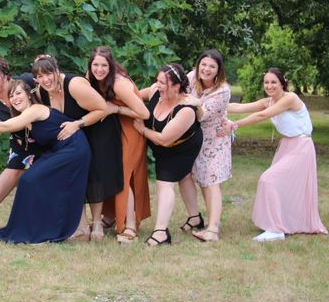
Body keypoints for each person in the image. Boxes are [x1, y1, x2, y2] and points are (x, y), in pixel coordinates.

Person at [0, 80, 91, 244]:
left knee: (29, 180)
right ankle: (34, 229)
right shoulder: (27, 119)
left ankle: (32, 232)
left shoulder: (35, 110)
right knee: (33, 182)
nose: (15, 98)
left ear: (29, 94)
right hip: (61, 150)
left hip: (73, 149)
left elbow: (5, 126)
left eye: (18, 93)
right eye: (11, 96)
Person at [220, 67, 327, 242]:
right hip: (287, 145)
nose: (269, 86)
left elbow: (262, 115)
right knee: (282, 185)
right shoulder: (268, 100)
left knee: (268, 179)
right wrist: (214, 104)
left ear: (282, 83)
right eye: (266, 82)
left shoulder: (290, 98)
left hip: (301, 146)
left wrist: (233, 125)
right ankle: (282, 223)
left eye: (273, 82)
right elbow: (239, 106)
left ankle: (276, 230)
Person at [33, 55, 107, 240]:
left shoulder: (74, 85)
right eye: (40, 76)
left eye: (49, 73)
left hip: (94, 128)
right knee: (74, 177)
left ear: (57, 71)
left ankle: (97, 223)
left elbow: (102, 108)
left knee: (95, 176)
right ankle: (81, 224)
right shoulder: (41, 92)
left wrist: (77, 124)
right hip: (71, 140)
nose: (46, 79)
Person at [133, 63, 203, 246]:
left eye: (163, 83)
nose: (158, 85)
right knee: (185, 177)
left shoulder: (186, 109)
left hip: (181, 148)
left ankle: (161, 232)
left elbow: (164, 139)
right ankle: (195, 218)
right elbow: (133, 98)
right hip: (161, 145)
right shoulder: (156, 91)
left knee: (165, 183)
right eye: (157, 81)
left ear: (176, 86)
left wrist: (141, 129)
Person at [87, 46, 151, 243]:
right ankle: (110, 215)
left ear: (111, 65)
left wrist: (115, 109)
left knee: (124, 175)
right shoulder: (91, 77)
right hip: (113, 130)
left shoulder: (118, 83)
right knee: (109, 170)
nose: (99, 69)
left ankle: (130, 225)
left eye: (103, 65)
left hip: (132, 129)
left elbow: (144, 114)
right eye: (95, 64)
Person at [0, 56, 44, 230]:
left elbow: (51, 87)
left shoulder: (26, 82)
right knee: (15, 163)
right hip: (23, 141)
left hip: (49, 133)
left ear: (6, 77)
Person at [179, 50, 232, 242]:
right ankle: (200, 220)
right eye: (204, 64)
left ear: (218, 70)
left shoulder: (223, 91)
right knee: (201, 180)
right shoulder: (192, 77)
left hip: (215, 139)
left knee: (211, 181)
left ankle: (213, 230)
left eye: (212, 66)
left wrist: (196, 104)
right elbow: (177, 88)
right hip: (194, 138)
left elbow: (202, 116)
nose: (206, 69)